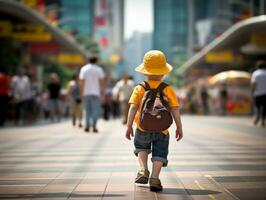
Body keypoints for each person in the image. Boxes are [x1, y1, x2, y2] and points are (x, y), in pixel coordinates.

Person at [125, 50, 183, 192]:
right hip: (162, 129)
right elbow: (175, 109)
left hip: (142, 127)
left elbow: (133, 108)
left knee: (142, 148)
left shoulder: (140, 88)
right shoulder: (167, 89)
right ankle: (155, 178)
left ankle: (143, 170)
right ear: (163, 72)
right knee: (160, 154)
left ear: (145, 71)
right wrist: (179, 127)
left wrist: (128, 126)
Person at [79, 55, 105, 133]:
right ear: (96, 61)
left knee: (86, 110)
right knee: (95, 110)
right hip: (96, 93)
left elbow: (82, 82)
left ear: (88, 60)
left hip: (86, 93)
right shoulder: (99, 70)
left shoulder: (84, 69)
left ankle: (86, 126)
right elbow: (101, 82)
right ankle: (94, 126)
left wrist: (81, 92)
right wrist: (101, 92)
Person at [251, 61, 266, 127]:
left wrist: (253, 92)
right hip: (265, 93)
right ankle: (263, 120)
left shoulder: (256, 73)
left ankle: (257, 118)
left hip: (258, 93)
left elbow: (254, 84)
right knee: (264, 107)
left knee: (257, 107)